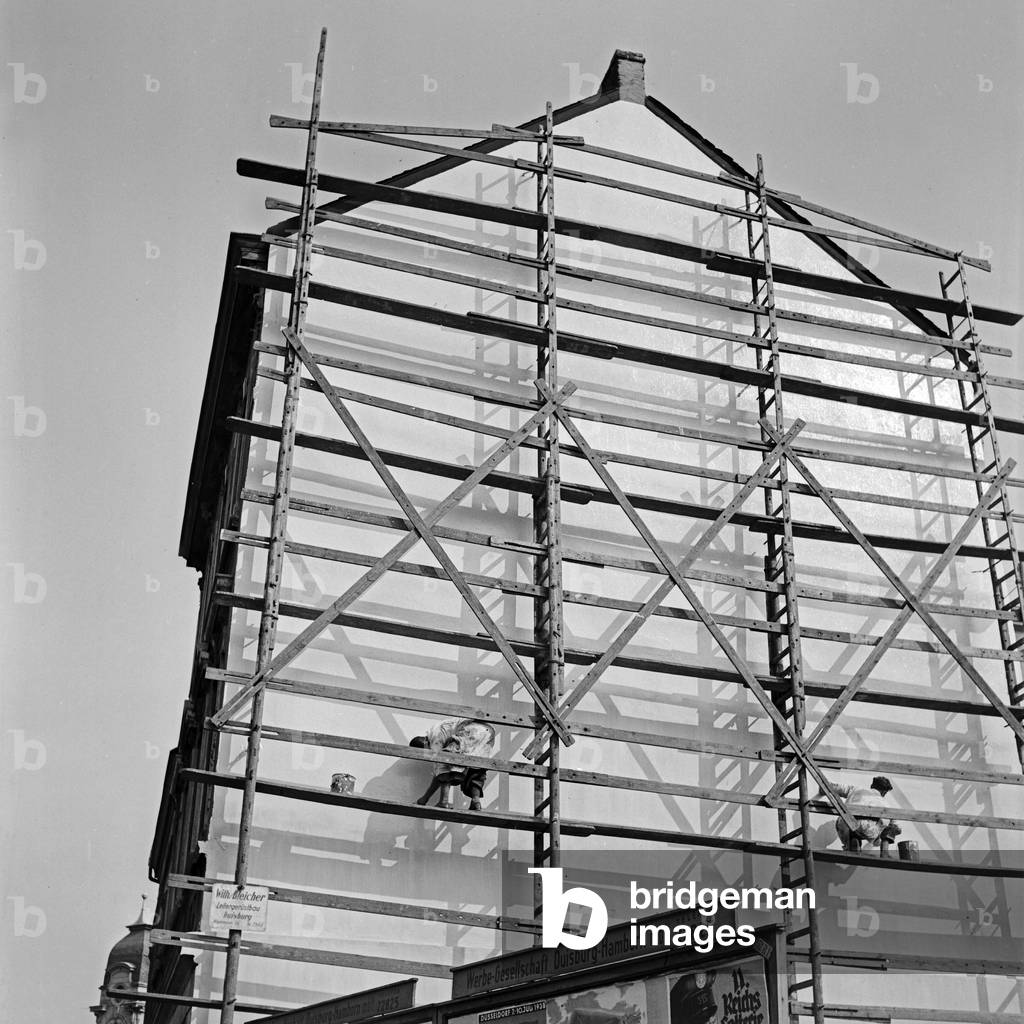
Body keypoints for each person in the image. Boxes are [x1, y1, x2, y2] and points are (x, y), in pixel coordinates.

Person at [410, 719, 495, 811]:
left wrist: (424, 799)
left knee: (444, 766)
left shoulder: (435, 738)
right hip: (488, 732)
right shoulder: (440, 731)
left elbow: (440, 772)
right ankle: (476, 801)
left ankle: (443, 802)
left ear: (424, 743)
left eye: (425, 752)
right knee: (476, 767)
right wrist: (424, 799)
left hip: (472, 729)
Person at [822, 775, 897, 852]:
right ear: (884, 792)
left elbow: (836, 787)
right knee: (891, 826)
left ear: (871, 786)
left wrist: (822, 789)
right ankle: (884, 852)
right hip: (867, 828)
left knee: (847, 824)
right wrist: (877, 839)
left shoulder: (856, 789)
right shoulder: (885, 804)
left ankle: (850, 843)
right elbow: (891, 824)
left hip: (846, 823)